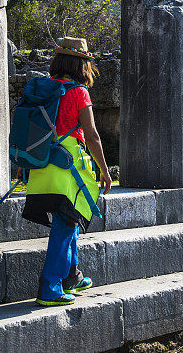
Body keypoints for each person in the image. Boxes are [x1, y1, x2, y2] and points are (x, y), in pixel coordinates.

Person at [21, 37, 112, 306]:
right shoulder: (78, 92)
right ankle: (51, 287)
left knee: (70, 220)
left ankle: (72, 276)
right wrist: (105, 170)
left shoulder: (42, 89)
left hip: (40, 165)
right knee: (64, 225)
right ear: (81, 65)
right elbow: (93, 136)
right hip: (67, 168)